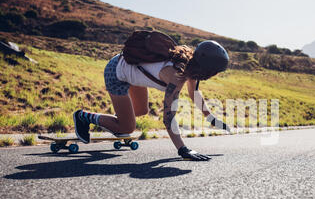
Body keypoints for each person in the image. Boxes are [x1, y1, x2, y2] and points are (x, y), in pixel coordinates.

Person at [73, 40, 230, 161]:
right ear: (207, 70)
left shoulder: (190, 63)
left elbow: (194, 93)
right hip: (116, 72)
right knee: (128, 127)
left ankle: (116, 121)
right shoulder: (176, 75)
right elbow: (169, 118)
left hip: (131, 67)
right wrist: (183, 149)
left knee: (141, 111)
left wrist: (211, 118)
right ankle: (83, 116)